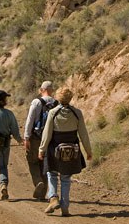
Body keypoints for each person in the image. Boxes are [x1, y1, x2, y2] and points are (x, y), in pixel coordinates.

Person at [38, 86, 92, 217]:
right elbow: (83, 134)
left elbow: (47, 134)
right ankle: (65, 208)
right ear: (70, 98)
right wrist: (88, 151)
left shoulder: (53, 112)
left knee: (52, 174)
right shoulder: (77, 113)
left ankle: (53, 197)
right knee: (66, 178)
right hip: (72, 148)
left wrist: (41, 149)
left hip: (54, 148)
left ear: (58, 98)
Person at [23, 80, 57, 199]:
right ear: (51, 90)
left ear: (41, 90)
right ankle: (43, 193)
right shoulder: (56, 103)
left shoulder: (36, 102)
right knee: (45, 165)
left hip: (36, 138)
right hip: (50, 139)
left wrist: (26, 138)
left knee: (33, 162)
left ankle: (38, 182)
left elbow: (30, 120)